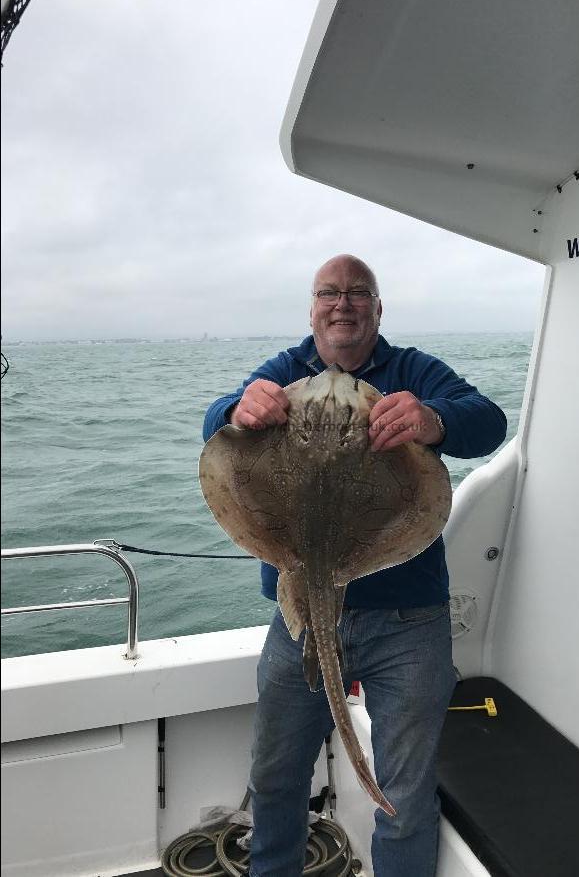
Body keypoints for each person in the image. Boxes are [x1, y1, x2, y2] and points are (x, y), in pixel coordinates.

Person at [203, 254, 506, 877]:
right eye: (329, 294)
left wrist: (432, 419)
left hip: (407, 620)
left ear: (376, 308)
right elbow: (214, 426)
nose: (343, 304)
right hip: (300, 620)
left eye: (358, 294)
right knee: (276, 775)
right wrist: (238, 408)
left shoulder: (414, 370)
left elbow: (489, 421)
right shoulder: (284, 371)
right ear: (312, 308)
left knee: (405, 793)